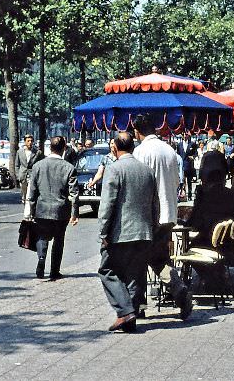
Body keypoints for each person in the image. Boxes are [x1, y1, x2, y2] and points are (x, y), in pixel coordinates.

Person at [132, 115, 193, 319]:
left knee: (140, 260)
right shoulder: (169, 150)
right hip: (168, 214)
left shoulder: (140, 152)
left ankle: (139, 305)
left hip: (149, 215)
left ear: (137, 132)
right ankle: (178, 289)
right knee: (159, 258)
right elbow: (176, 182)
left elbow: (139, 185)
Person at [97, 131, 159, 333]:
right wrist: (153, 227)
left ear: (115, 148)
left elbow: (107, 204)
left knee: (107, 270)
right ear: (133, 147)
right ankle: (130, 319)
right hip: (144, 231)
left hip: (120, 232)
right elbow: (155, 204)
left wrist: (103, 233)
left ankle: (125, 312)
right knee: (135, 275)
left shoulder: (114, 169)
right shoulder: (147, 171)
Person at [184, 151, 234, 287]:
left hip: (216, 246)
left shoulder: (205, 197)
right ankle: (217, 274)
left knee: (187, 250)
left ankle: (211, 278)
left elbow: (195, 224)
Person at [27, 136, 79, 280]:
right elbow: (74, 193)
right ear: (64, 149)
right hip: (61, 210)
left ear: (50, 148)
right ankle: (54, 270)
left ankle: (41, 257)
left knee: (42, 236)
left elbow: (32, 191)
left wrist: (31, 210)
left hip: (42, 208)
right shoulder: (69, 168)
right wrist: (75, 213)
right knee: (59, 239)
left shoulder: (38, 166)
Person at [15, 134, 43, 205]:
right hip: (23, 176)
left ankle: (31, 208)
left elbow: (41, 164)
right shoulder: (20, 152)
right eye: (28, 141)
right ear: (25, 142)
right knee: (24, 194)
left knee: (31, 193)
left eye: (31, 141)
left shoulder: (37, 152)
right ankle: (25, 205)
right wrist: (18, 175)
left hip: (32, 175)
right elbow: (17, 165)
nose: (30, 142)